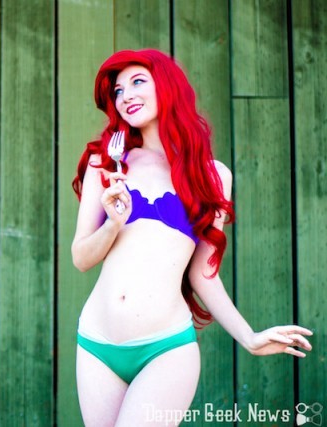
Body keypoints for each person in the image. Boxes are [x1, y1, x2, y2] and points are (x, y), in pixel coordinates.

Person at [71, 49, 312, 426]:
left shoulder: (213, 176)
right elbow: (81, 258)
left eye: (138, 82)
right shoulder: (106, 164)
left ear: (168, 87)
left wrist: (249, 337)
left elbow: (204, 274)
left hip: (165, 349)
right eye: (118, 91)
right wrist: (112, 224)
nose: (126, 95)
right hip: (95, 344)